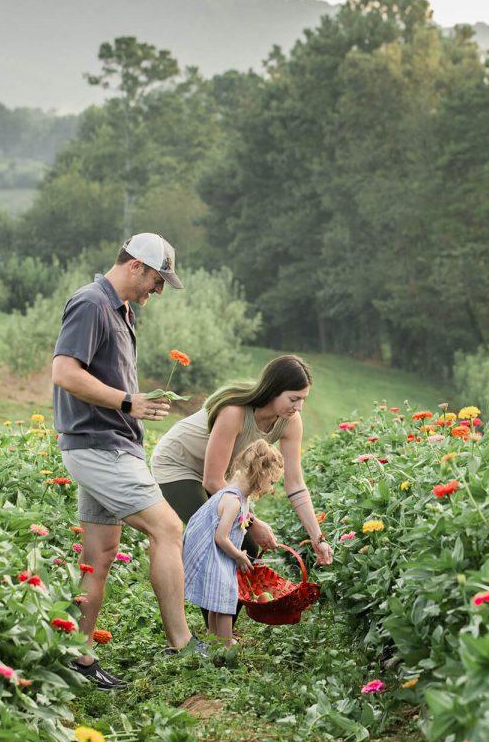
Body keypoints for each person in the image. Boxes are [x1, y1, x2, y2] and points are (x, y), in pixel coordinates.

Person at [51, 232, 201, 692]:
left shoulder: (121, 310)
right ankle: (183, 643)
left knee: (99, 555)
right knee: (168, 528)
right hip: (99, 446)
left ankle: (77, 656)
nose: (157, 291)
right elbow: (64, 372)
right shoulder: (92, 304)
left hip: (109, 443)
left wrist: (133, 406)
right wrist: (126, 402)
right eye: (157, 281)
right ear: (136, 265)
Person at [151, 355, 333, 573]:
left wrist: (317, 538)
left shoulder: (290, 421)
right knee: (215, 538)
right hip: (179, 466)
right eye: (294, 399)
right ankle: (204, 597)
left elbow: (295, 484)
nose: (299, 407)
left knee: (247, 548)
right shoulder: (235, 412)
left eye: (303, 399)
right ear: (274, 390)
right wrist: (252, 522)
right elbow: (212, 481)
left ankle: (221, 607)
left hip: (219, 473)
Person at [181, 440, 283, 644]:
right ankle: (226, 644)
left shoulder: (239, 498)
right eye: (271, 482)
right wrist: (238, 555)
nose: (271, 488)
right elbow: (220, 537)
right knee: (226, 600)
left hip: (219, 555)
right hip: (217, 555)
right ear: (261, 474)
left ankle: (213, 640)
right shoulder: (234, 501)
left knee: (216, 603)